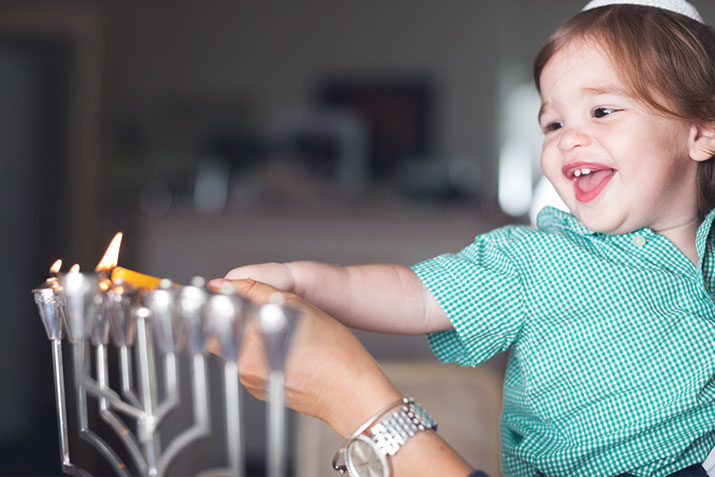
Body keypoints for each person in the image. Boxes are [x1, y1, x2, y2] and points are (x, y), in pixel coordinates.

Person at [212, 0, 715, 475]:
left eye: (602, 111)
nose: (567, 138)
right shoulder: (533, 260)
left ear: (701, 132)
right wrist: (307, 282)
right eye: (553, 122)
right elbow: (415, 295)